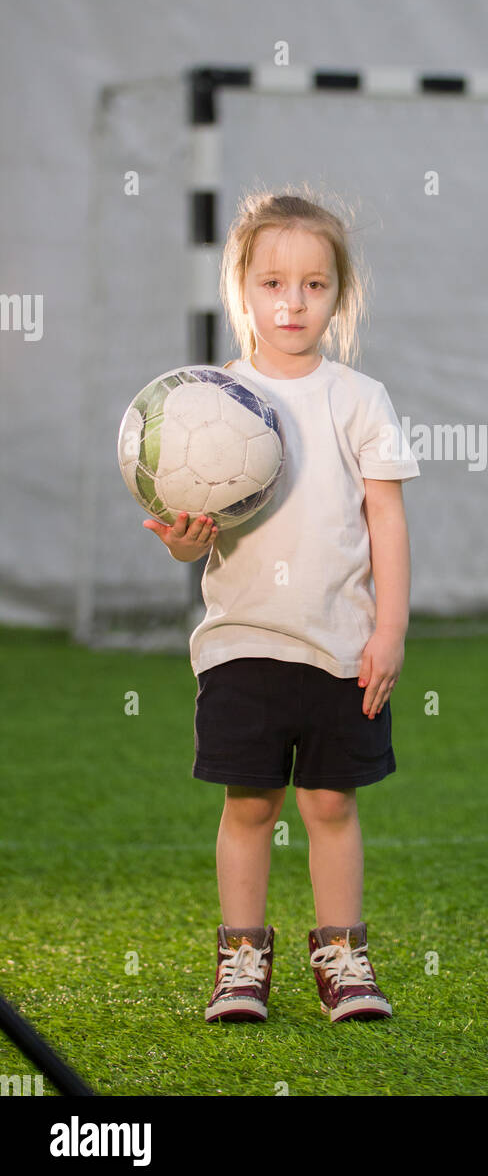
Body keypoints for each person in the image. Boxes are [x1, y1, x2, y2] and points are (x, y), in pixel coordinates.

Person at [142, 186, 420, 1024]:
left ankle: (342, 956)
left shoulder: (359, 398)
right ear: (242, 290)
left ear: (340, 294)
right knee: (250, 803)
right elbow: (200, 540)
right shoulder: (208, 400)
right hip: (243, 644)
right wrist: (183, 541)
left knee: (332, 803)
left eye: (314, 284)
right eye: (272, 283)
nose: (292, 302)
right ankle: (242, 962)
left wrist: (391, 629)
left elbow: (386, 516)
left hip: (340, 646)